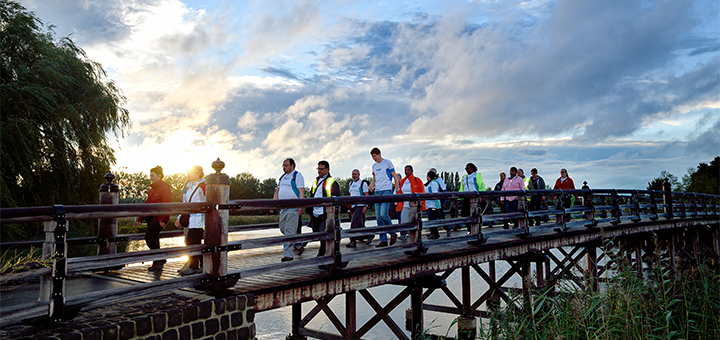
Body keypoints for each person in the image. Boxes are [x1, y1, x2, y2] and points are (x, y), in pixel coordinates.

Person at [137, 166, 172, 272]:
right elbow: (147, 203)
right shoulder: (151, 190)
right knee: (154, 239)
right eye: (150, 175)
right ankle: (157, 262)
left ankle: (160, 259)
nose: (151, 177)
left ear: (159, 176)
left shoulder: (165, 188)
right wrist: (140, 217)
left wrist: (162, 219)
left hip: (159, 218)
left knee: (149, 237)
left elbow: (166, 203)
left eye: (153, 175)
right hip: (151, 218)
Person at [175, 165, 206, 276]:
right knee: (192, 243)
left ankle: (197, 266)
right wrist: (179, 217)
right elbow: (185, 204)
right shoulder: (188, 187)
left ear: (198, 174)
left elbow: (209, 200)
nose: (188, 175)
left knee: (193, 242)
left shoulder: (204, 185)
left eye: (191, 173)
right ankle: (199, 266)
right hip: (191, 220)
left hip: (200, 220)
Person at [273, 158, 305, 262]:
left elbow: (301, 192)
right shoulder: (282, 177)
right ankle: (298, 244)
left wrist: (301, 206)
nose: (284, 167)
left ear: (292, 165)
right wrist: (273, 204)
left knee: (289, 231)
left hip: (293, 207)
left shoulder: (297, 176)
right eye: (283, 165)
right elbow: (278, 191)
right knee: (283, 228)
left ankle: (288, 255)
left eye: (286, 165)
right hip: (283, 208)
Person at [308, 160, 341, 256]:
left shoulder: (332, 182)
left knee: (324, 235)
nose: (319, 171)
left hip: (325, 213)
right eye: (318, 169)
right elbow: (312, 195)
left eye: (321, 169)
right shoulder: (316, 181)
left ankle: (323, 256)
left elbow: (336, 197)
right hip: (316, 212)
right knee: (317, 233)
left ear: (327, 169)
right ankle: (325, 255)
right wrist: (310, 210)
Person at [368, 148, 398, 247]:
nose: (374, 158)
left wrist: (397, 188)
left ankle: (393, 233)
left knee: (383, 213)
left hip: (387, 190)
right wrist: (371, 186)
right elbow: (374, 179)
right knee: (378, 217)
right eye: (372, 157)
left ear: (379, 154)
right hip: (377, 191)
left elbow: (394, 176)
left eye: (375, 156)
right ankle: (383, 240)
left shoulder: (387, 163)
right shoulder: (374, 166)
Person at [395, 165, 426, 240]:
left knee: (414, 224)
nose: (407, 172)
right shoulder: (403, 181)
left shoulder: (417, 180)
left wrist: (421, 204)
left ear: (412, 171)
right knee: (404, 223)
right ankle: (410, 239)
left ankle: (416, 240)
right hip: (405, 205)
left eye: (408, 170)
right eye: (405, 170)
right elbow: (400, 192)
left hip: (414, 206)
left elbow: (422, 192)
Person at [347, 169, 370, 248]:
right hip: (353, 206)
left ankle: (352, 241)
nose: (354, 176)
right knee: (359, 223)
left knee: (354, 223)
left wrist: (365, 206)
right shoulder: (351, 183)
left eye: (355, 174)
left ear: (359, 174)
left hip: (360, 205)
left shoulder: (363, 183)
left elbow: (366, 195)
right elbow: (350, 194)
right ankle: (370, 235)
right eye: (353, 174)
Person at [459, 163, 486, 231]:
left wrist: (482, 195)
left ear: (472, 168)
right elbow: (462, 188)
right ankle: (470, 229)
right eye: (466, 169)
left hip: (474, 197)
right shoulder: (464, 177)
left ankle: (476, 230)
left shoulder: (476, 175)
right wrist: (459, 198)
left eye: (468, 168)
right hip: (466, 197)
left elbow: (481, 185)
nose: (466, 170)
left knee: (475, 214)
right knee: (464, 214)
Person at [425, 170, 449, 239]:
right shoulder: (429, 183)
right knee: (431, 219)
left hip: (433, 205)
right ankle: (433, 233)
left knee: (432, 219)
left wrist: (438, 206)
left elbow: (435, 194)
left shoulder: (434, 183)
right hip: (429, 205)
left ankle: (435, 234)